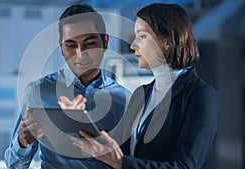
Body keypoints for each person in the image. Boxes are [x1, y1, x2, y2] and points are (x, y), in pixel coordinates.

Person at [70, 3, 219, 169]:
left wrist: (120, 162)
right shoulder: (141, 93)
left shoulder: (200, 95)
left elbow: (185, 166)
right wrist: (79, 120)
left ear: (167, 43)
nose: (133, 45)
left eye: (142, 36)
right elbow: (117, 151)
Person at [4, 4, 129, 168]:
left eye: (89, 43)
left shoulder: (125, 99)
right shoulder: (39, 92)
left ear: (105, 42)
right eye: (70, 45)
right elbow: (13, 165)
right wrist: (22, 143)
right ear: (61, 47)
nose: (80, 53)